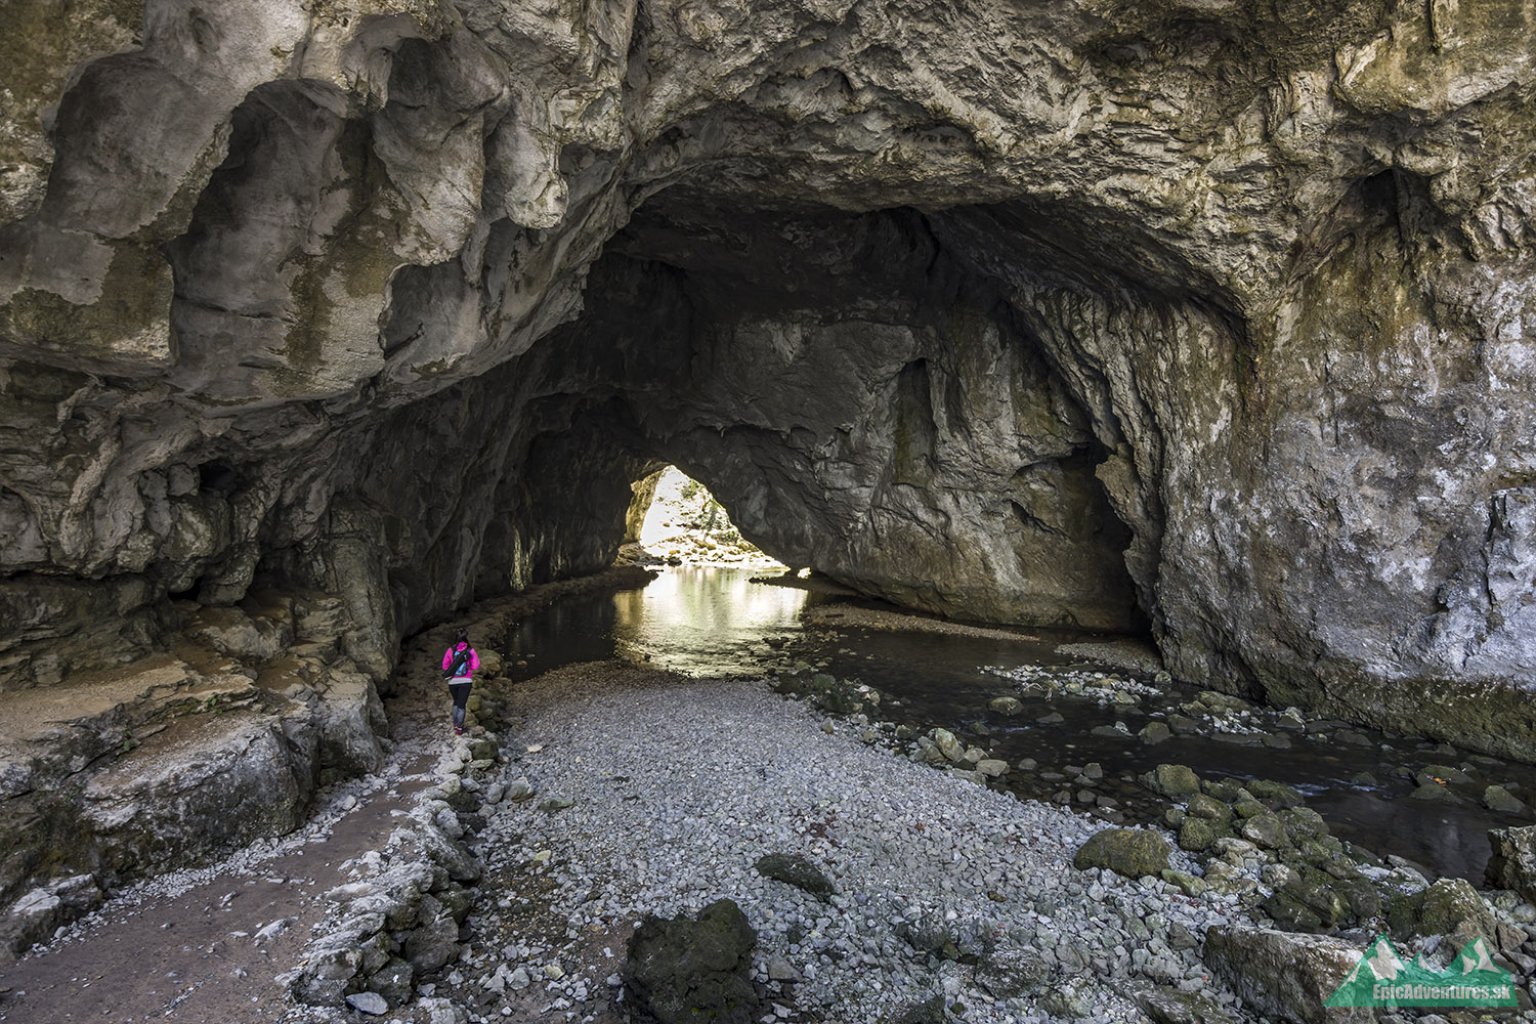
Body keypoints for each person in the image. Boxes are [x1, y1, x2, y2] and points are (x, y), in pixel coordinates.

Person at [441, 628, 480, 735]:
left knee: (456, 702)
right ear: (465, 638)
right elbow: (476, 665)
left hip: (453, 682)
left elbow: (444, 666)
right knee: (462, 705)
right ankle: (459, 728)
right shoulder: (470, 650)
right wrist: (469, 667)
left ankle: (455, 724)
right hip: (466, 681)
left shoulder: (450, 650)